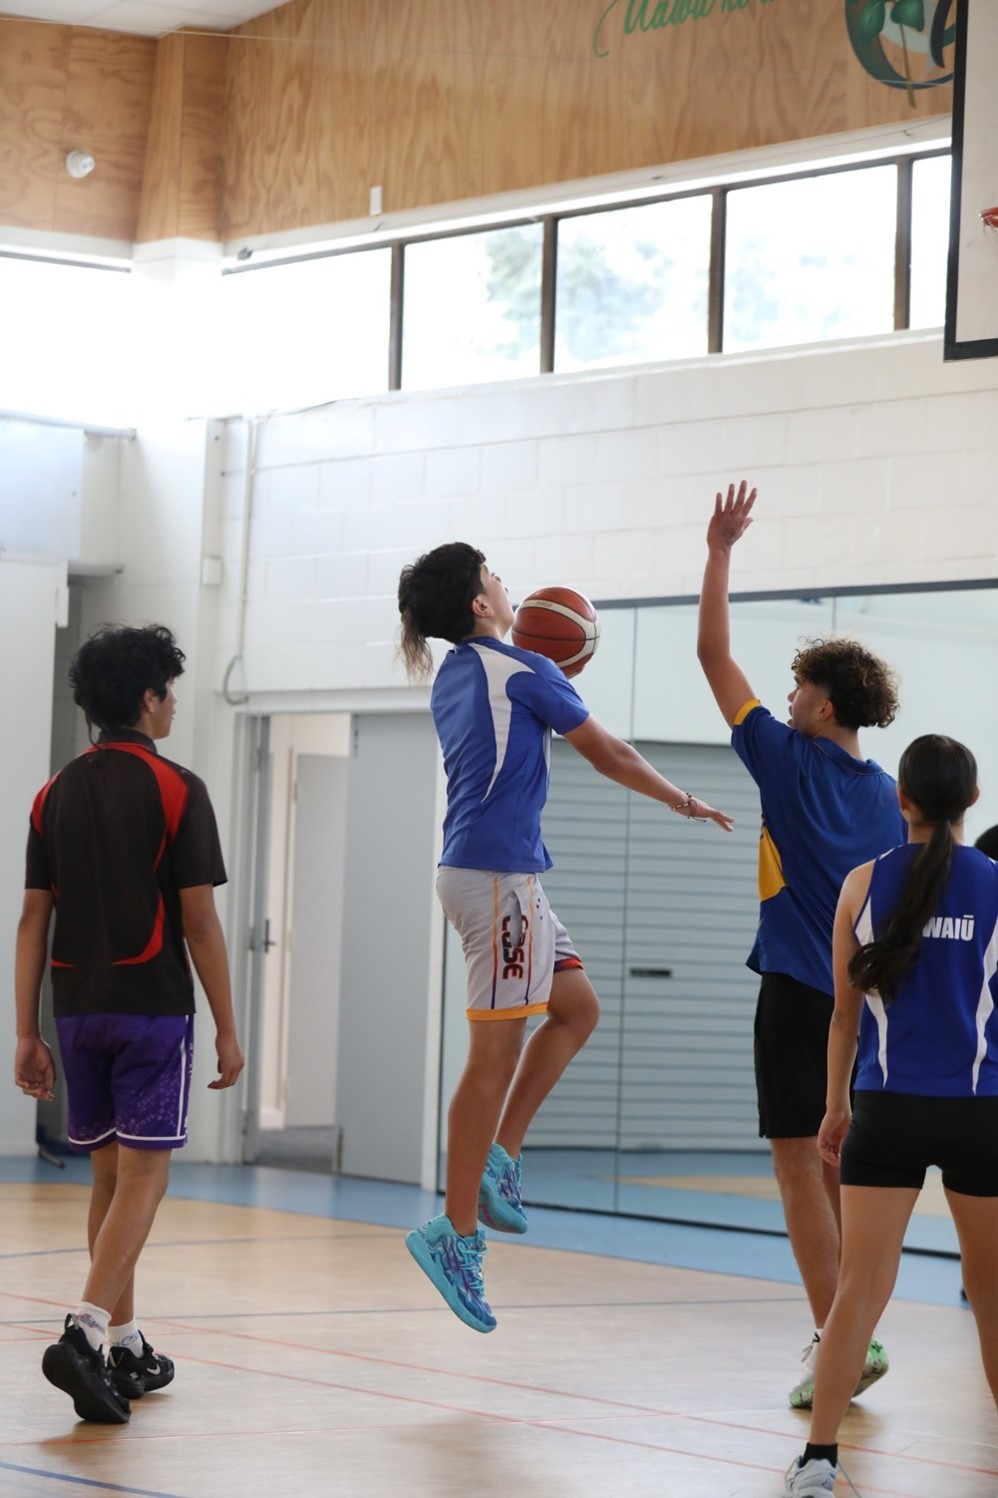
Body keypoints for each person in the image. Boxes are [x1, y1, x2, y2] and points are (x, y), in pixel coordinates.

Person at [397, 542, 734, 1333]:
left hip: (503, 877)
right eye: (494, 576)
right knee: (490, 1062)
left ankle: (499, 1161)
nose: (506, 583)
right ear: (480, 604)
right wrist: (682, 799)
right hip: (496, 880)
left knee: (577, 1008)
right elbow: (608, 752)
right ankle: (455, 1233)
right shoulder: (522, 670)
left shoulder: (460, 672)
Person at [697, 481, 905, 1409]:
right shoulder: (890, 792)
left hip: (796, 989)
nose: (785, 698)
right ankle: (850, 1329)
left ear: (824, 709)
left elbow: (711, 653)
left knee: (793, 1161)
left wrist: (720, 549)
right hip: (867, 1002)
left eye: (798, 688)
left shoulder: (785, 760)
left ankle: (842, 1342)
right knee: (837, 1164)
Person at [14, 624, 244, 1424]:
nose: (175, 704)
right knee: (147, 1176)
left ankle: (127, 1344)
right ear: (148, 700)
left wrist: (25, 1030)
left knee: (110, 1180)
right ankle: (83, 1330)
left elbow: (31, 923)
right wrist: (226, 1025)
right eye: (170, 692)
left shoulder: (53, 794)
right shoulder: (179, 788)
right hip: (152, 1012)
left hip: (76, 1013)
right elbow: (201, 925)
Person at [785, 734, 998, 1495]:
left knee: (859, 1293)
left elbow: (843, 1018)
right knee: (994, 1294)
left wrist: (835, 1106)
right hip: (981, 1115)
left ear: (900, 800)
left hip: (884, 1111)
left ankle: (818, 1461)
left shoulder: (860, 883)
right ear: (972, 801)